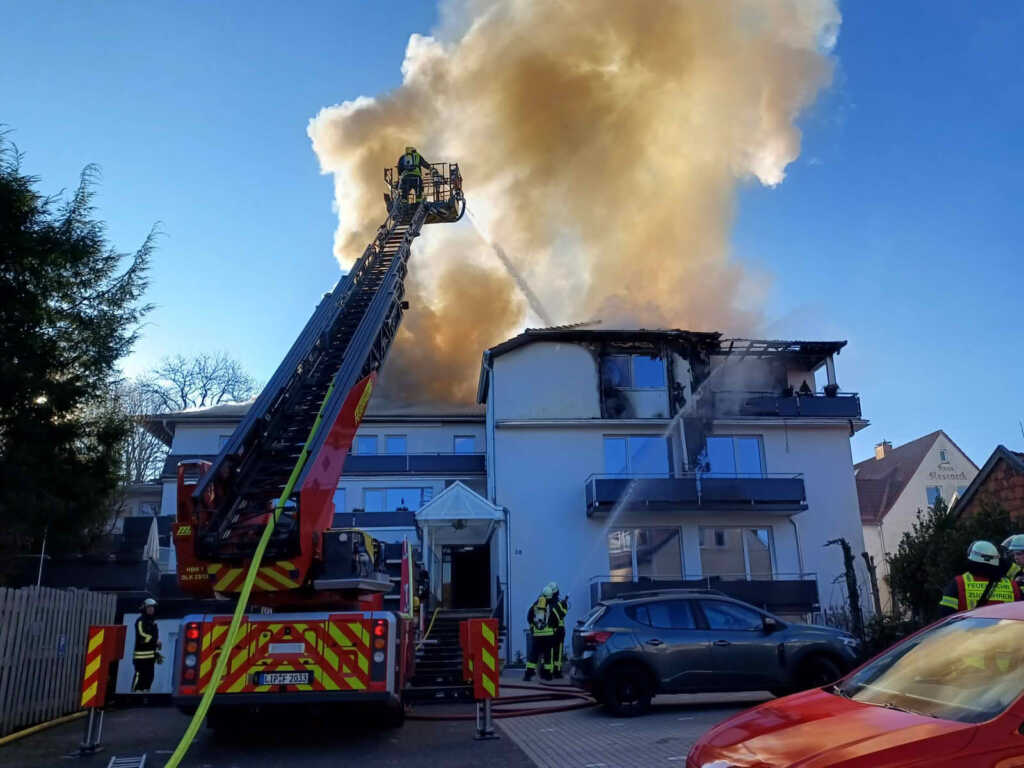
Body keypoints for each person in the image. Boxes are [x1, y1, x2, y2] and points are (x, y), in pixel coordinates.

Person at [938, 540, 1022, 616]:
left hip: (969, 632)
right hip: (1004, 632)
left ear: (971, 558)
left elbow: (945, 615)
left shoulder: (958, 583)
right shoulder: (1013, 586)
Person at [524, 586, 555, 682]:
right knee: (547, 655)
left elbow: (529, 617)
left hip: (537, 635)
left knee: (533, 655)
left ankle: (528, 675)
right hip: (548, 635)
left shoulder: (535, 604)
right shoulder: (551, 605)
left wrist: (534, 626)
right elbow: (555, 619)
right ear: (551, 595)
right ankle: (547, 675)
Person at [132, 598, 162, 693]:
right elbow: (142, 635)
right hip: (140, 656)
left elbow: (155, 636)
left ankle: (145, 693)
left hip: (150, 656)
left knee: (149, 676)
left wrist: (157, 648)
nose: (151, 609)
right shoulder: (140, 621)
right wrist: (155, 641)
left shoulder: (153, 622)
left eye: (152, 607)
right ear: (144, 608)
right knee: (139, 675)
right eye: (149, 607)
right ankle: (134, 693)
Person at [547, 582, 568, 679]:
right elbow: (561, 615)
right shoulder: (557, 603)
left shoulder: (546, 602)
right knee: (558, 652)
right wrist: (565, 606)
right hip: (558, 631)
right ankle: (557, 672)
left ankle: (549, 671)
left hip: (549, 631)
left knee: (550, 651)